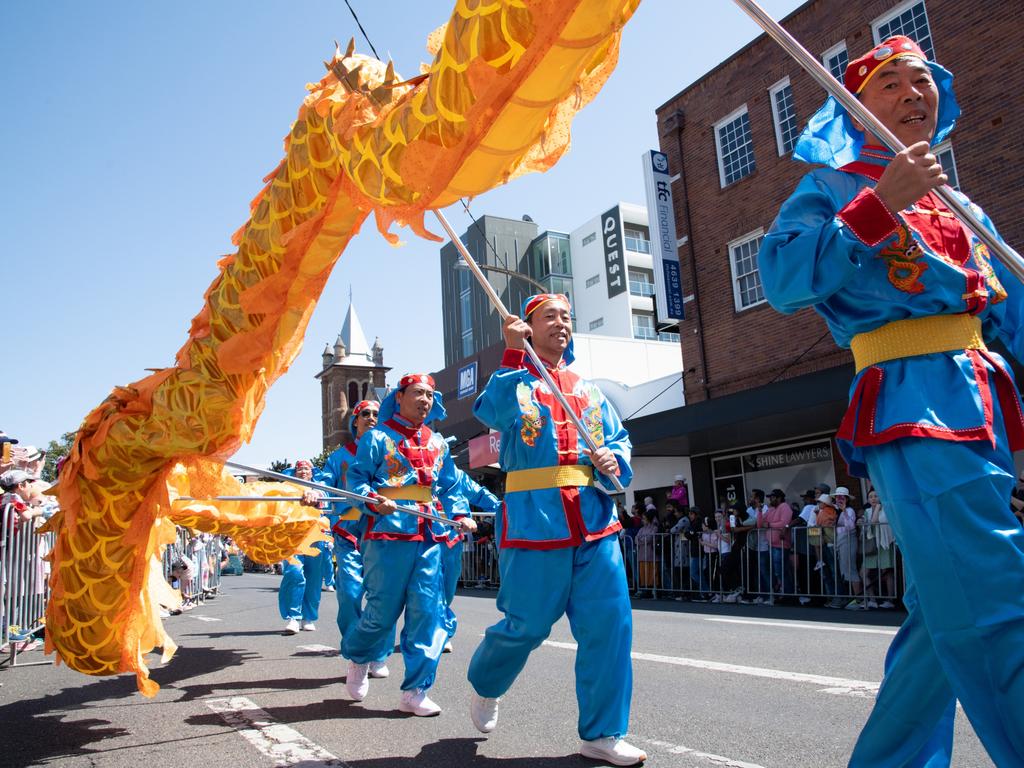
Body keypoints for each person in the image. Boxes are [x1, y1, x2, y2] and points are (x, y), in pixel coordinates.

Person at [759, 36, 1024, 765]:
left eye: (925, 82)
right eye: (892, 84)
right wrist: (881, 206)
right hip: (914, 404)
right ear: (854, 105)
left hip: (986, 403)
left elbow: (1012, 310)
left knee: (943, 620)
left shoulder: (964, 205)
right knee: (997, 594)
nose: (914, 94)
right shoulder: (831, 187)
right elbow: (781, 279)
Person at [466, 293, 645, 766]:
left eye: (566, 317)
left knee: (610, 627)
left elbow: (618, 441)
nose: (561, 324)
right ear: (527, 326)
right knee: (527, 626)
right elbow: (490, 411)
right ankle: (486, 684)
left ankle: (602, 733)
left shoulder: (589, 389)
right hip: (534, 520)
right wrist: (510, 351)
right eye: (550, 317)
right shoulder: (515, 379)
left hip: (594, 521)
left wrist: (614, 462)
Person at [343, 373, 474, 717]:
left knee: (427, 614)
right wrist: (372, 498)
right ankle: (359, 657)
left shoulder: (439, 443)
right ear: (398, 398)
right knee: (381, 613)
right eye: (417, 393)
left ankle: (416, 691)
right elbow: (356, 479)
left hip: (430, 535)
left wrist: (460, 512)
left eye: (430, 395)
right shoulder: (376, 438)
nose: (425, 400)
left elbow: (450, 486)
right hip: (387, 531)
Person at [320, 399, 390, 680]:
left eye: (376, 413)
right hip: (349, 534)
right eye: (366, 414)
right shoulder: (339, 457)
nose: (372, 417)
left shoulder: (391, 452)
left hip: (384, 531)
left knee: (383, 597)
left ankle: (379, 655)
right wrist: (317, 493)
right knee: (349, 594)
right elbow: (324, 481)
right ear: (355, 421)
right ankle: (357, 651)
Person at [438, 471, 500, 652]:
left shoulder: (455, 476)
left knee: (447, 590)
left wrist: (502, 507)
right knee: (425, 591)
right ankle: (435, 632)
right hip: (421, 539)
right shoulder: (410, 469)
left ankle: (437, 630)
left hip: (450, 541)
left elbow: (479, 494)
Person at [277, 459, 328, 634]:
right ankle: (293, 616)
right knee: (294, 573)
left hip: (315, 536)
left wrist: (315, 494)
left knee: (314, 577)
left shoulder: (320, 487)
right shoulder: (286, 488)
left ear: (312, 472)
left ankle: (308, 617)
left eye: (307, 469)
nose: (303, 471)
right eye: (300, 469)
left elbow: (327, 499)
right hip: (292, 536)